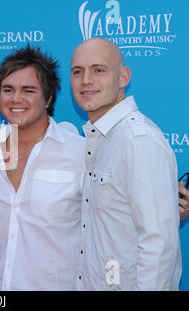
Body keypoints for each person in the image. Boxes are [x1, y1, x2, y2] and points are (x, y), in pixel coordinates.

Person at [71, 38, 181, 290]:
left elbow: (159, 244)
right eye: (78, 71)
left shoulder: (138, 140)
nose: (86, 80)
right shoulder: (100, 137)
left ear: (123, 77)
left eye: (99, 70)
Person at [0, 45, 86, 290]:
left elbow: (113, 216)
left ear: (48, 98)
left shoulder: (81, 153)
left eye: (28, 90)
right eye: (8, 90)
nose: (16, 99)